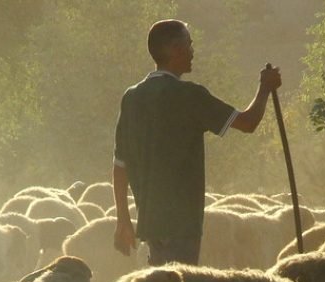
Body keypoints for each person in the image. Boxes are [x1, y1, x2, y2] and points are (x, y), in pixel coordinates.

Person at [112, 19, 282, 266]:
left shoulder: (133, 98)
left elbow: (120, 164)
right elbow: (248, 123)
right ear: (175, 50)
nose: (193, 52)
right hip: (182, 223)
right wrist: (265, 88)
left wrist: (123, 220)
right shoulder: (189, 96)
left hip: (150, 223)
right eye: (189, 45)